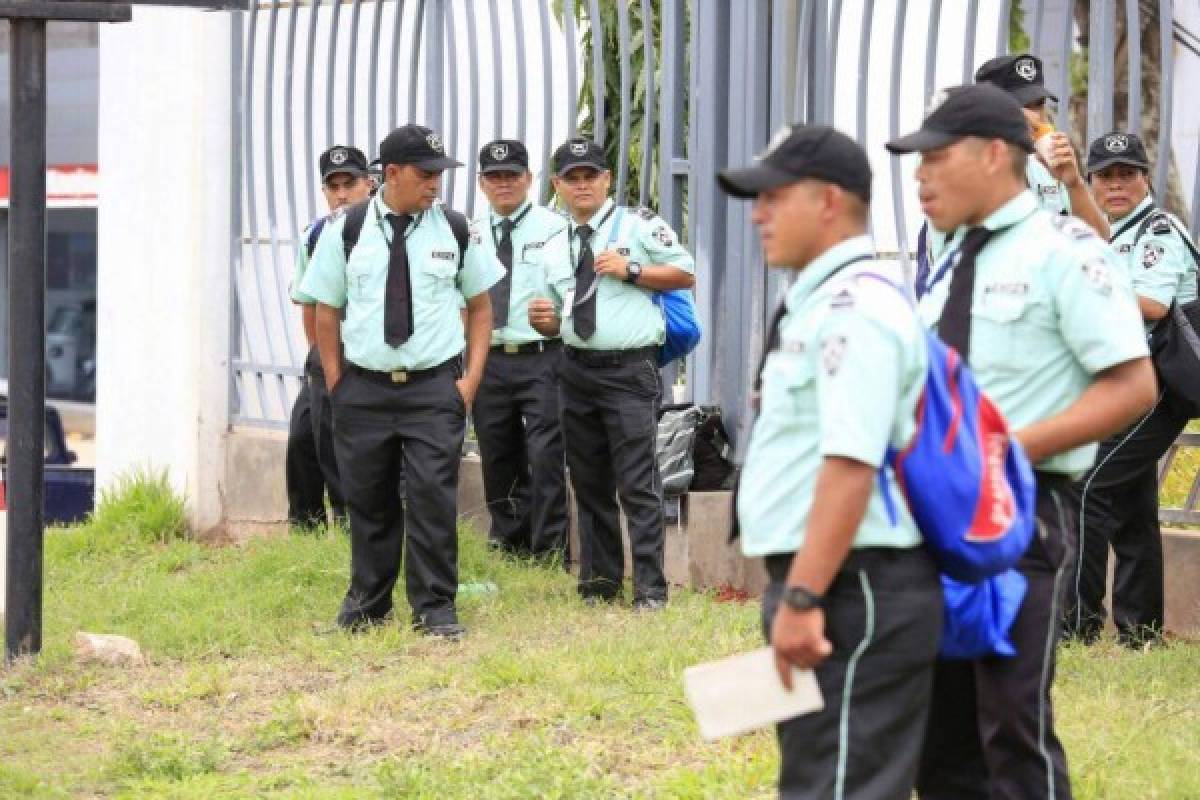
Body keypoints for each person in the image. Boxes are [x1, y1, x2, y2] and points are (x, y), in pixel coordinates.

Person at [887, 84, 1156, 800]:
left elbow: (1134, 384)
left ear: (993, 155)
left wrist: (1010, 447)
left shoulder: (1063, 250)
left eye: (934, 160)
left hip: (1021, 513)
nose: (920, 178)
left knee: (1009, 721)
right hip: (934, 514)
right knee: (937, 730)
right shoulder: (944, 259)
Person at [719, 125, 942, 799]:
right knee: (819, 775)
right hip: (831, 579)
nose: (757, 214)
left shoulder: (859, 308)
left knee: (838, 786)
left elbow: (852, 463)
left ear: (829, 202)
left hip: (854, 585)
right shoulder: (818, 301)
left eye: (772, 197)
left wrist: (803, 595)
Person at [300, 124, 503, 638]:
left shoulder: (455, 229)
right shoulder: (346, 231)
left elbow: (480, 309)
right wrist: (337, 381)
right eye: (426, 173)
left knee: (434, 499)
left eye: (439, 173)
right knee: (368, 499)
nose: (436, 183)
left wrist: (470, 383)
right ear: (392, 174)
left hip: (433, 389)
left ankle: (435, 609)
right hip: (363, 389)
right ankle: (367, 605)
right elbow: (326, 310)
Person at [527, 137, 694, 610]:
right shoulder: (554, 243)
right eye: (571, 178)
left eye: (590, 176)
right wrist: (546, 321)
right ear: (557, 185)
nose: (582, 185)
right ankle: (599, 584)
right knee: (589, 480)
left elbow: (684, 274)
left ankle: (649, 589)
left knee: (637, 481)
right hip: (576, 369)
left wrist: (632, 269)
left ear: (606, 180)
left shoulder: (636, 225)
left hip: (628, 371)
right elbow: (557, 311)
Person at [1064, 131, 1199, 647]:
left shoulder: (1157, 228)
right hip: (1131, 379)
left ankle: (1075, 625)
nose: (1116, 184)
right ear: (1093, 184)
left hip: (1158, 380)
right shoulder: (1116, 233)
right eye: (1106, 176)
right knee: (1133, 502)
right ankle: (1141, 633)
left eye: (1127, 174)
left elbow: (1153, 304)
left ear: (1145, 178)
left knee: (1087, 484)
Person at [919, 54, 1109, 282]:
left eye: (1038, 105)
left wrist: (1073, 182)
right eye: (1019, 107)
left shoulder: (1046, 169)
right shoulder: (964, 170)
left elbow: (1099, 242)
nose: (1034, 117)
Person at [470, 139, 570, 561]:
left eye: (512, 175)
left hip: (542, 356)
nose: (504, 184)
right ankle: (509, 540)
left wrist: (559, 319)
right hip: (489, 356)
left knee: (546, 454)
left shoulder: (555, 227)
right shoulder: (468, 232)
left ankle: (549, 547)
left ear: (529, 179)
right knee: (497, 450)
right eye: (495, 177)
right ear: (481, 183)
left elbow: (573, 289)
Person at [285, 144, 371, 529]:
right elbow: (309, 301)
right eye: (332, 185)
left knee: (349, 445)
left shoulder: (381, 228)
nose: (341, 193)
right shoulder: (316, 234)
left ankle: (351, 523)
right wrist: (321, 355)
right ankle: (307, 526)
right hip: (328, 353)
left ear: (368, 183)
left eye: (348, 183)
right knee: (305, 439)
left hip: (368, 355)